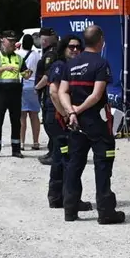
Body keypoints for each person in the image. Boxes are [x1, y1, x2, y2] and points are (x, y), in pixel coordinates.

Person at [58, 26, 125, 224]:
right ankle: (106, 212)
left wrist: (70, 111)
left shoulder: (70, 64)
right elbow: (96, 95)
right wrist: (77, 110)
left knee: (74, 166)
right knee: (103, 165)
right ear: (101, 41)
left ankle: (70, 210)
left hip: (75, 122)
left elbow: (62, 91)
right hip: (96, 121)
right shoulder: (101, 64)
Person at [45, 34, 92, 212]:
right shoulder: (60, 65)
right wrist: (66, 114)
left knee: (61, 156)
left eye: (78, 47)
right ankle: (66, 198)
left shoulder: (72, 66)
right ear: (63, 48)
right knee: (68, 158)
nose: (74, 50)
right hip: (58, 117)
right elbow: (54, 92)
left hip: (61, 116)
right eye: (71, 46)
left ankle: (58, 197)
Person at [0, 31, 30, 159]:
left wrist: (28, 73)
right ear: (3, 41)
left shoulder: (19, 58)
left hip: (15, 93)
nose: (12, 44)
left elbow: (25, 74)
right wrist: (5, 68)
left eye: (14, 41)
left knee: (16, 122)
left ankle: (16, 149)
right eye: (10, 41)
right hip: (0, 92)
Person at [33, 28, 59, 164]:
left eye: (43, 38)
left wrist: (37, 87)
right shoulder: (48, 52)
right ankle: (52, 151)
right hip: (45, 93)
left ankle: (55, 154)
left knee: (50, 124)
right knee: (48, 123)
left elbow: (48, 75)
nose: (41, 41)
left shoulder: (51, 54)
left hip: (48, 93)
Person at [17, 34, 42, 150]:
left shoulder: (18, 54)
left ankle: (21, 142)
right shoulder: (37, 55)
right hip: (34, 86)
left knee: (22, 116)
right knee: (34, 115)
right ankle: (36, 142)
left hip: (22, 85)